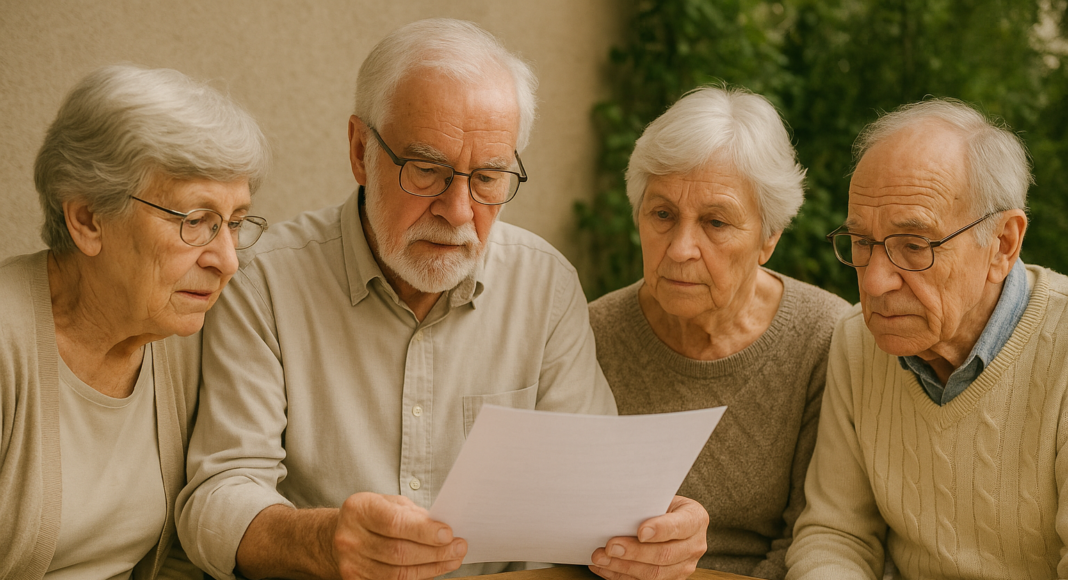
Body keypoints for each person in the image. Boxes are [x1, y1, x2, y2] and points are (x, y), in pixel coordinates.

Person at [176, 18, 708, 580]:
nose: (457, 211)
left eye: (488, 178)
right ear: (361, 151)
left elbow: (593, 496)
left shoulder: (544, 284)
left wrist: (650, 534)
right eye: (426, 171)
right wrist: (323, 542)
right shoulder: (264, 282)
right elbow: (217, 496)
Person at [0, 64, 270, 579]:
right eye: (196, 221)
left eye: (234, 223)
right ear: (88, 219)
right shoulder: (7, 345)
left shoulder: (183, 337)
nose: (228, 260)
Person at [785, 99, 1068, 579]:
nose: (874, 283)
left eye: (914, 246)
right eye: (861, 242)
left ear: (1002, 244)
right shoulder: (857, 340)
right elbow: (836, 535)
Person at [588, 86, 849, 580]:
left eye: (716, 222)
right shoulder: (590, 335)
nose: (682, 247)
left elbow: (816, 538)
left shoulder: (825, 338)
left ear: (769, 236)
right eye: (663, 214)